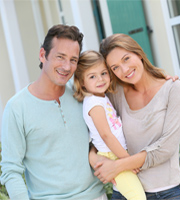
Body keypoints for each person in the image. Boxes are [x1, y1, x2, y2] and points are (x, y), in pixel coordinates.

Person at [0, 24, 107, 200]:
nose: (67, 66)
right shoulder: (17, 108)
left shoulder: (82, 94)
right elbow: (11, 170)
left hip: (96, 196)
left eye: (73, 60)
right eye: (60, 57)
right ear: (43, 55)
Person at [89, 34, 180, 200]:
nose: (124, 70)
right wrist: (94, 159)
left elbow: (166, 148)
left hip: (166, 193)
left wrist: (117, 166)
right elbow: (98, 135)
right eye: (115, 67)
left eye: (126, 59)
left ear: (138, 53)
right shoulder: (115, 95)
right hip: (125, 193)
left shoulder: (174, 89)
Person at [73, 50, 146, 200]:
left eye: (103, 73)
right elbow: (106, 135)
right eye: (92, 76)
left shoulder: (101, 97)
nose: (100, 79)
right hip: (112, 156)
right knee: (137, 197)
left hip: (116, 153)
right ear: (82, 83)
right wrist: (127, 160)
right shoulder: (93, 103)